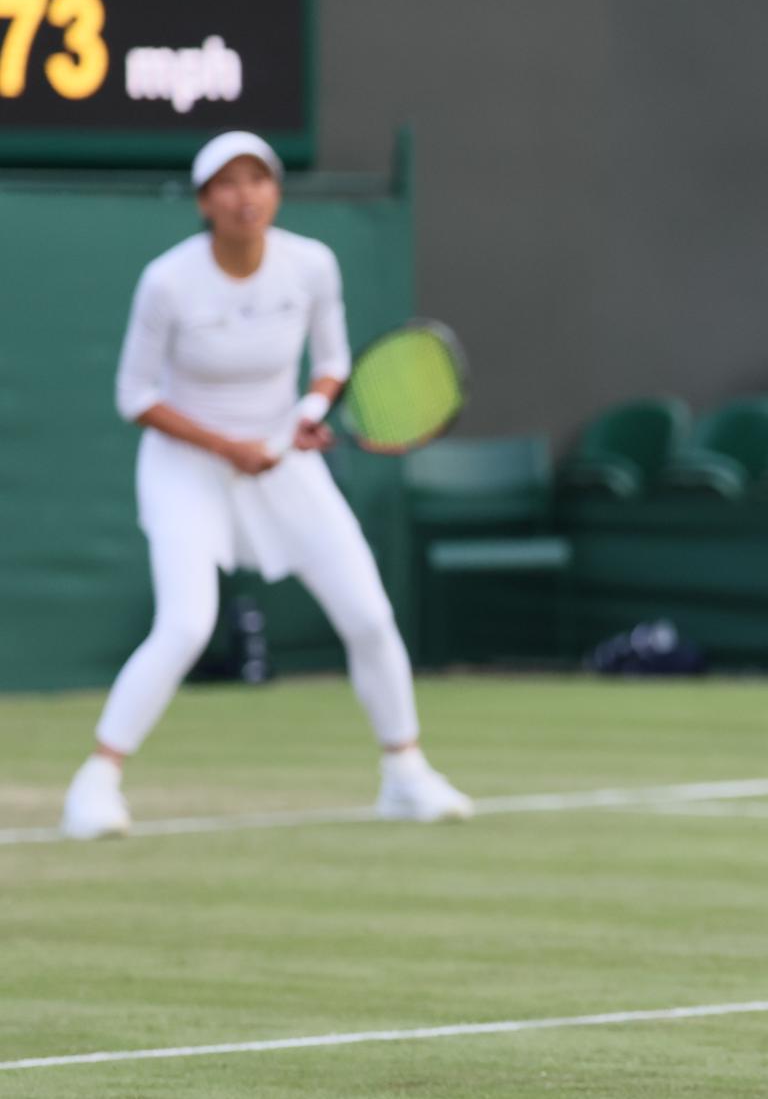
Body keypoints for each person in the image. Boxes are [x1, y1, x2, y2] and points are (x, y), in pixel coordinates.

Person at [59, 132, 472, 841]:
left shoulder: (312, 265)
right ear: (203, 201)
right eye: (227, 182)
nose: (245, 194)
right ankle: (95, 783)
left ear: (276, 192)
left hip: (283, 459)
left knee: (370, 615)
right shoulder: (168, 280)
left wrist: (306, 417)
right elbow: (135, 396)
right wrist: (227, 445)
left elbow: (334, 362)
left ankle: (404, 773)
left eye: (259, 179)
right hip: (184, 465)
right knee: (186, 623)